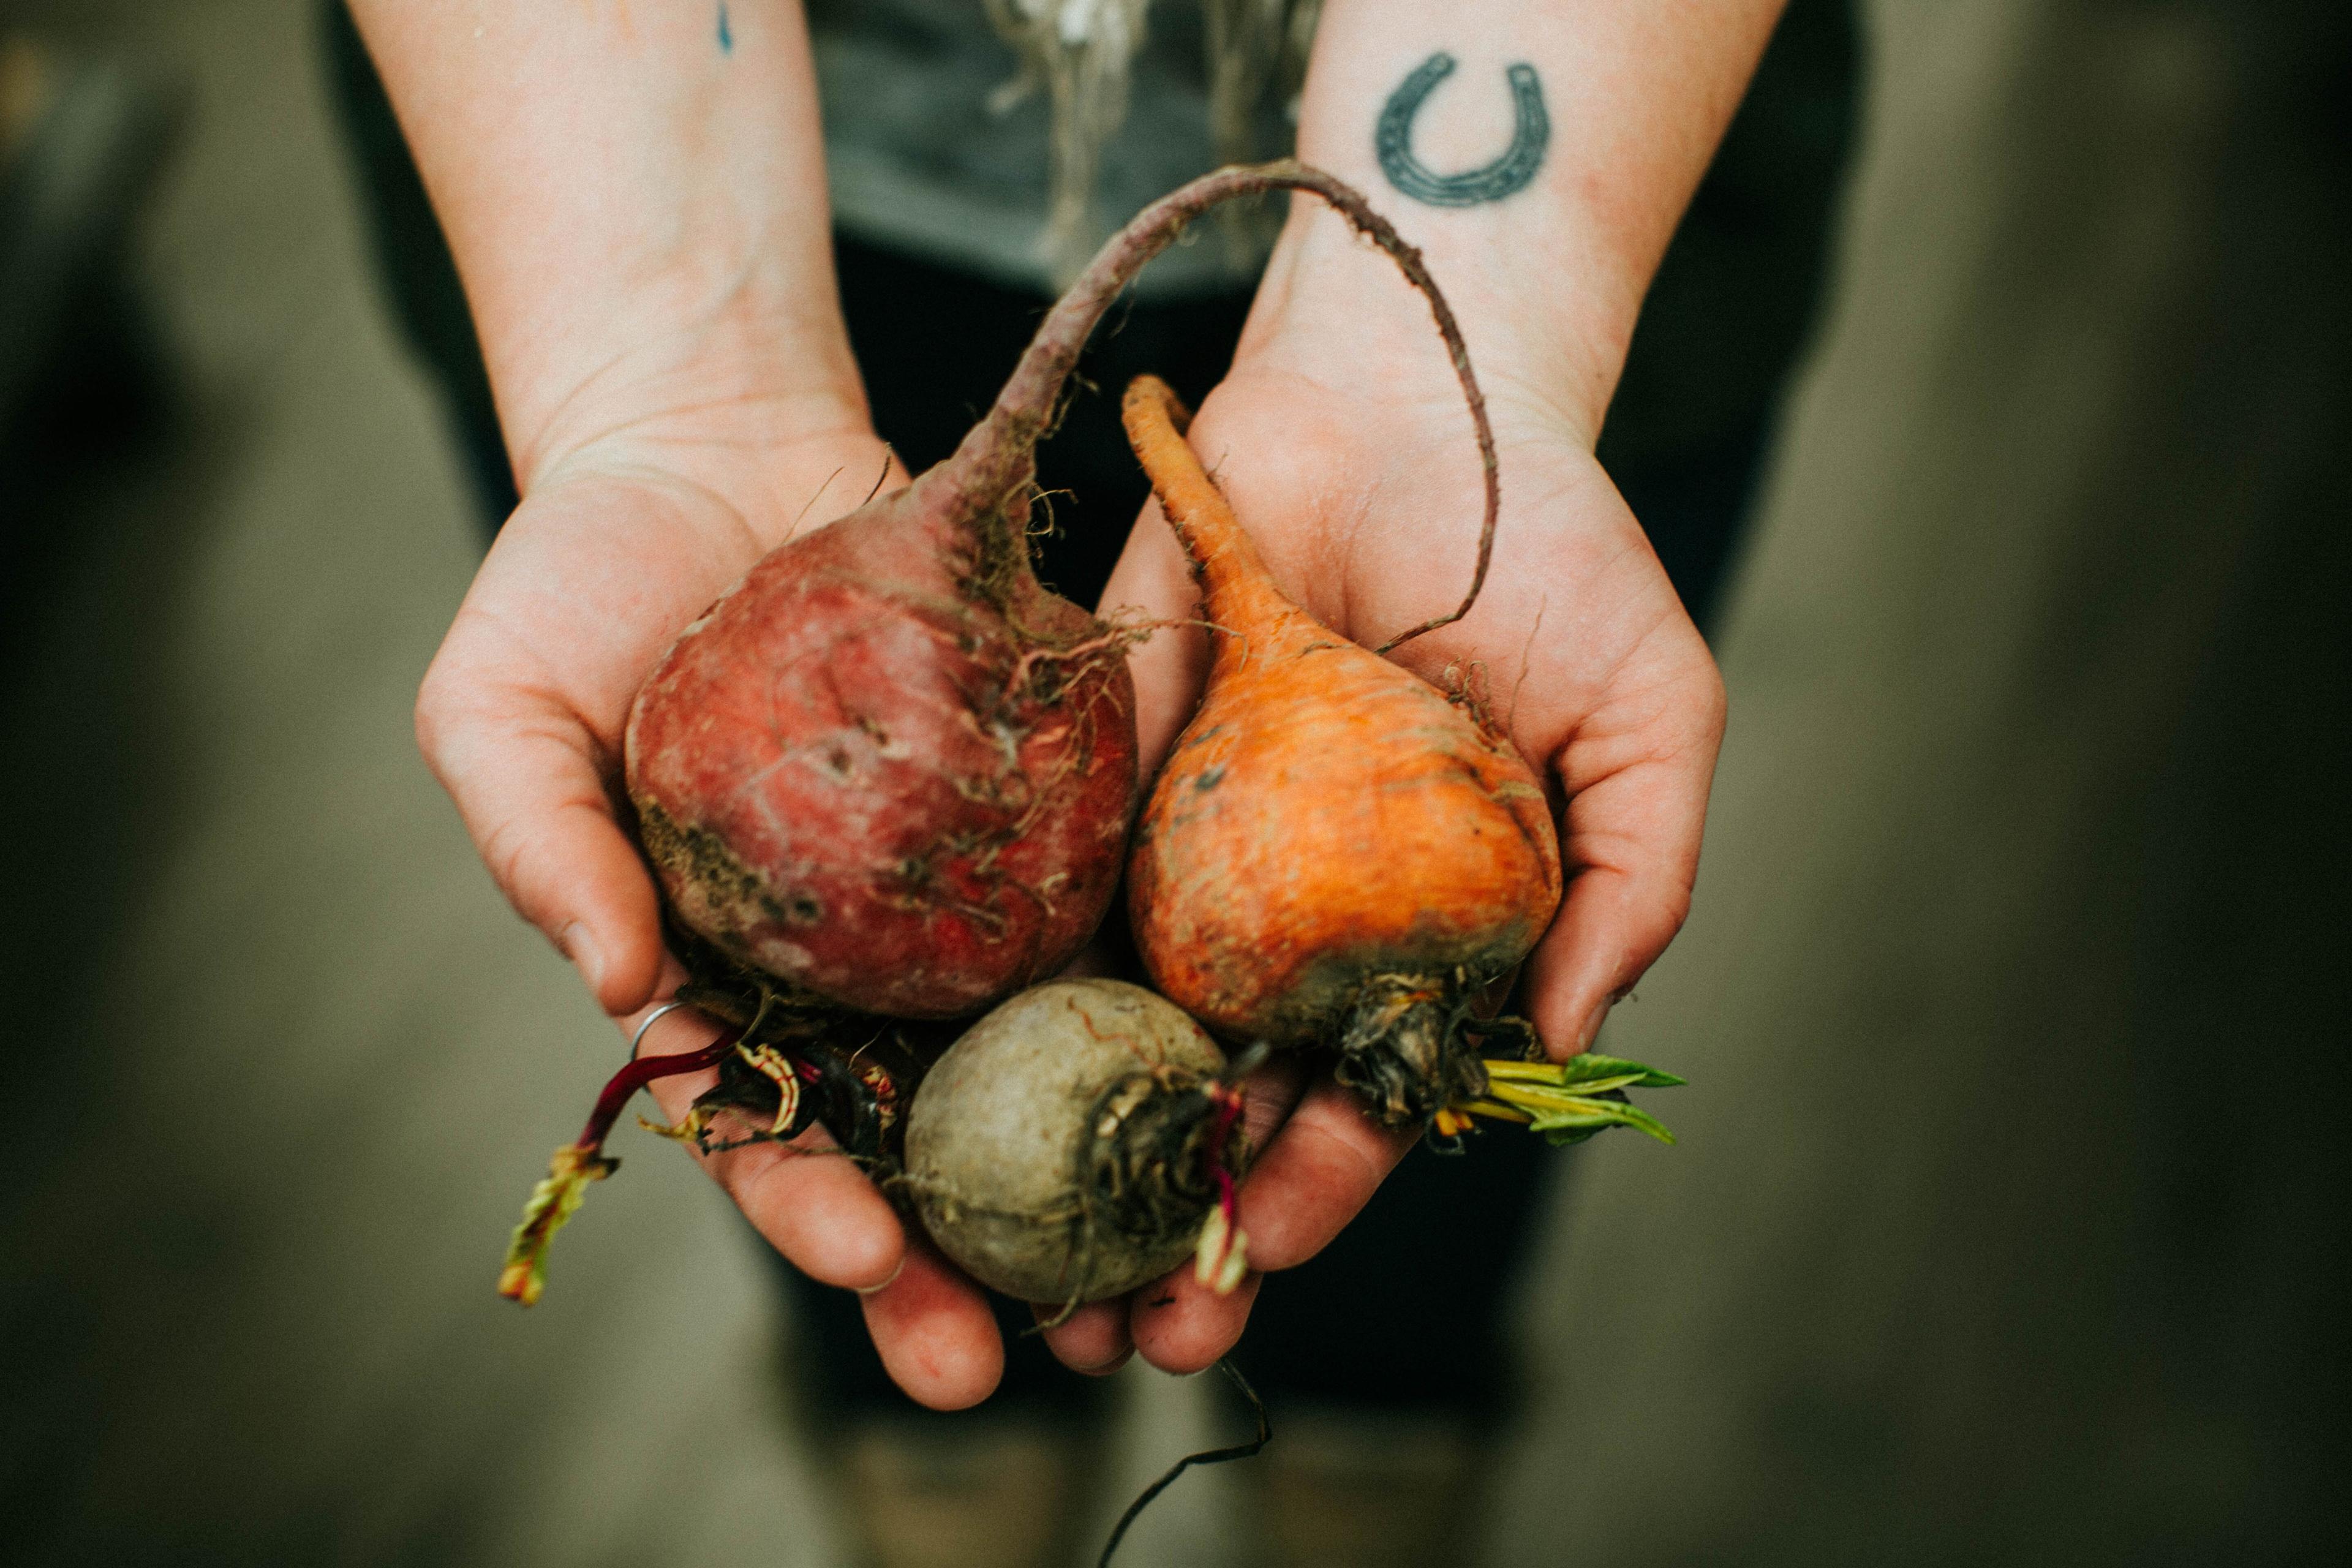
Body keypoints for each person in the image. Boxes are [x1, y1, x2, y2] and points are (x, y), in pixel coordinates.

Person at [337, 1, 1851, 1553]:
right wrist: (656, 379)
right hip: (620, 166)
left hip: (1588, 149)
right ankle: (946, 1468)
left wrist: (1455, 349)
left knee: (1425, 1152)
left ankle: (1381, 1436)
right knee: (876, 1212)